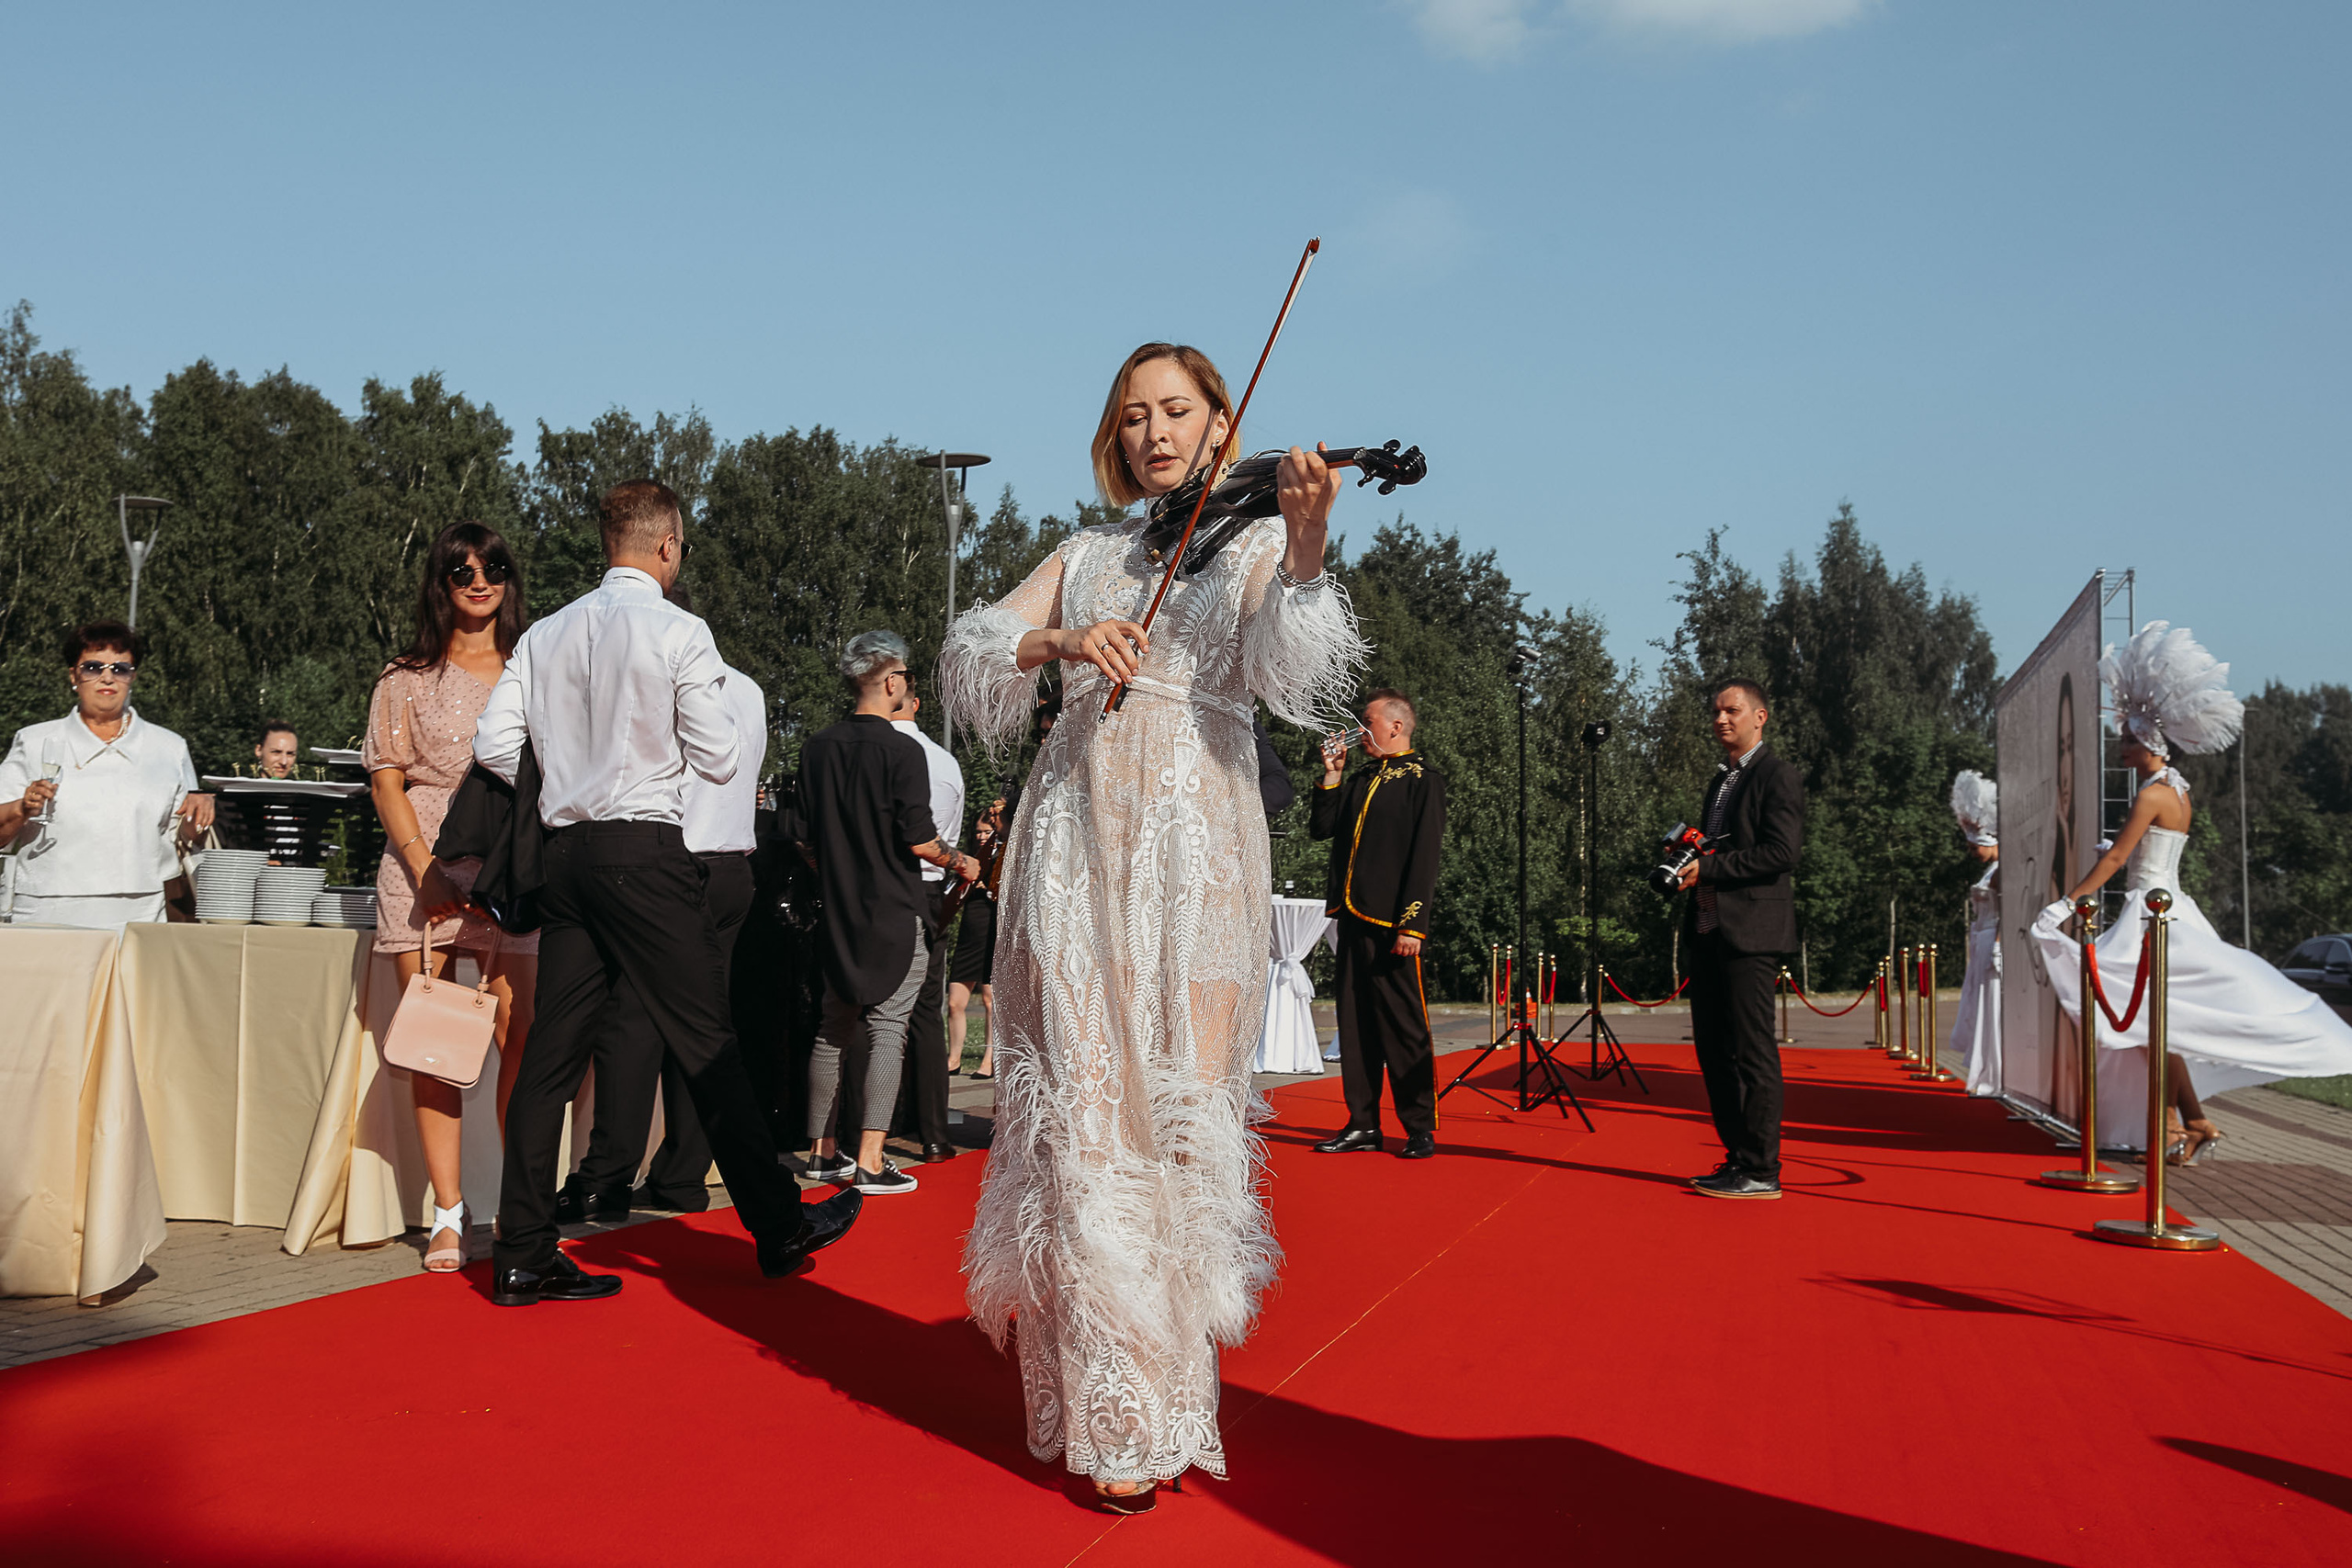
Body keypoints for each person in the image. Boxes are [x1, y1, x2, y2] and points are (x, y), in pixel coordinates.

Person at [943, 341, 1366, 1510]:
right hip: (1073, 845)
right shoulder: (1086, 552)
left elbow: (1292, 664)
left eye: (1177, 410)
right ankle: (1109, 1414)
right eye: (1133, 416)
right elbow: (976, 642)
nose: (1154, 433)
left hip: (1192, 846)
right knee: (1086, 1111)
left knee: (1176, 1116)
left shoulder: (1254, 543)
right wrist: (1061, 641)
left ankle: (1168, 1396)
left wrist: (1311, 539)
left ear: (1222, 425)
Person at [472, 479, 860, 1304]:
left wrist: (563, 782)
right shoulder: (681, 631)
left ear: (607, 540)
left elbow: (496, 742)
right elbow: (721, 757)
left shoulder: (543, 634)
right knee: (705, 1037)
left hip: (566, 855)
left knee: (551, 1056)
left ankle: (523, 1251)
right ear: (669, 545)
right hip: (643, 849)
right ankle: (779, 1221)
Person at [2030, 623, 2352, 1162]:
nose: (2121, 746)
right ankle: (2190, 1121)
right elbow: (2151, 851)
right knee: (2158, 1026)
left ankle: (2176, 1125)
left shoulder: (2151, 796)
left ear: (2147, 743)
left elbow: (2119, 860)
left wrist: (2068, 902)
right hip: (2173, 907)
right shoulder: (2178, 791)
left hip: (2150, 915)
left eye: (2127, 739)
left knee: (2137, 1023)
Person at [557, 581, 767, 1220]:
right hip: (733, 865)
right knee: (704, 1026)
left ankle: (607, 1175)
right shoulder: (750, 690)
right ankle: (680, 1173)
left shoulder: (660, 682)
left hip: (677, 864)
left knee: (634, 1022)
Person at [364, 523, 541, 1273]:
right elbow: (387, 777)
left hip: (512, 870)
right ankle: (447, 1215)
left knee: (519, 1041)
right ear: (440, 582)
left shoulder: (536, 669)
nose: (479, 578)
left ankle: (522, 1210)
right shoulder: (405, 675)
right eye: (462, 568)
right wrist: (424, 866)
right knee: (436, 1045)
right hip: (422, 874)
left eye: (493, 565)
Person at [799, 631, 979, 1197]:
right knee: (888, 1028)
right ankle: (871, 1159)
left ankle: (820, 1153)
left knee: (832, 1031)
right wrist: (963, 862)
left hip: (838, 909)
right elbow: (921, 841)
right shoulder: (903, 752)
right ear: (892, 681)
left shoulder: (817, 748)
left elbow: (804, 840)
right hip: (894, 909)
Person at [1673, 678, 1805, 1201]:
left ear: (1760, 717)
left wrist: (1708, 868)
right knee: (1713, 1052)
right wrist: (1689, 857)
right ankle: (1738, 1158)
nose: (1721, 720)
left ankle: (1762, 1168)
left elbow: (1781, 853)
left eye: (1732, 711)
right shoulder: (1722, 780)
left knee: (1752, 1052)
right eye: (1715, 712)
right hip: (1709, 932)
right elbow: (1719, 849)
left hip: (1751, 935)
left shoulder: (1778, 776)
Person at [0, 621, 211, 930]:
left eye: (121, 668)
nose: (107, 677)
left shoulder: (170, 747)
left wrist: (198, 817)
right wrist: (22, 808)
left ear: (133, 677)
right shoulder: (33, 741)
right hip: (49, 913)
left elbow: (183, 838)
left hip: (142, 914)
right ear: (73, 675)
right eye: (93, 667)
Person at [1308, 690, 1447, 1158]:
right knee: (1356, 1023)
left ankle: (1419, 1126)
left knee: (1404, 1026)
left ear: (1395, 726)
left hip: (1393, 924)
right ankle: (1363, 1123)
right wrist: (1333, 775)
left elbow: (1424, 857)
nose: (1360, 729)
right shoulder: (1362, 777)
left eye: (1367, 722)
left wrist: (1414, 926)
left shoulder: (1423, 782)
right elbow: (1322, 827)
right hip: (1352, 916)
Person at [890, 678, 965, 1165]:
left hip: (895, 883)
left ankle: (865, 1132)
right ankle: (934, 1132)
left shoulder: (888, 753)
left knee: (873, 1010)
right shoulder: (947, 762)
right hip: (934, 885)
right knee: (925, 1012)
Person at [1947, 770, 2002, 1097]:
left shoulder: (1999, 873)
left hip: (1991, 940)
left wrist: (1997, 945)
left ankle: (1994, 1074)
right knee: (1980, 1005)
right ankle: (1985, 1071)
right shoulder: (1991, 872)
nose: (1971, 853)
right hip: (1981, 940)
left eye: (1973, 848)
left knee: (1992, 1007)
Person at [945, 795, 1007, 1080]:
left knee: (989, 1001)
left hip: (991, 930)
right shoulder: (971, 858)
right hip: (969, 934)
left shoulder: (1002, 854)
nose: (982, 836)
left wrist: (990, 885)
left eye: (987, 830)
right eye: (978, 832)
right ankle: (953, 1059)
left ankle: (989, 1059)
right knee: (955, 1001)